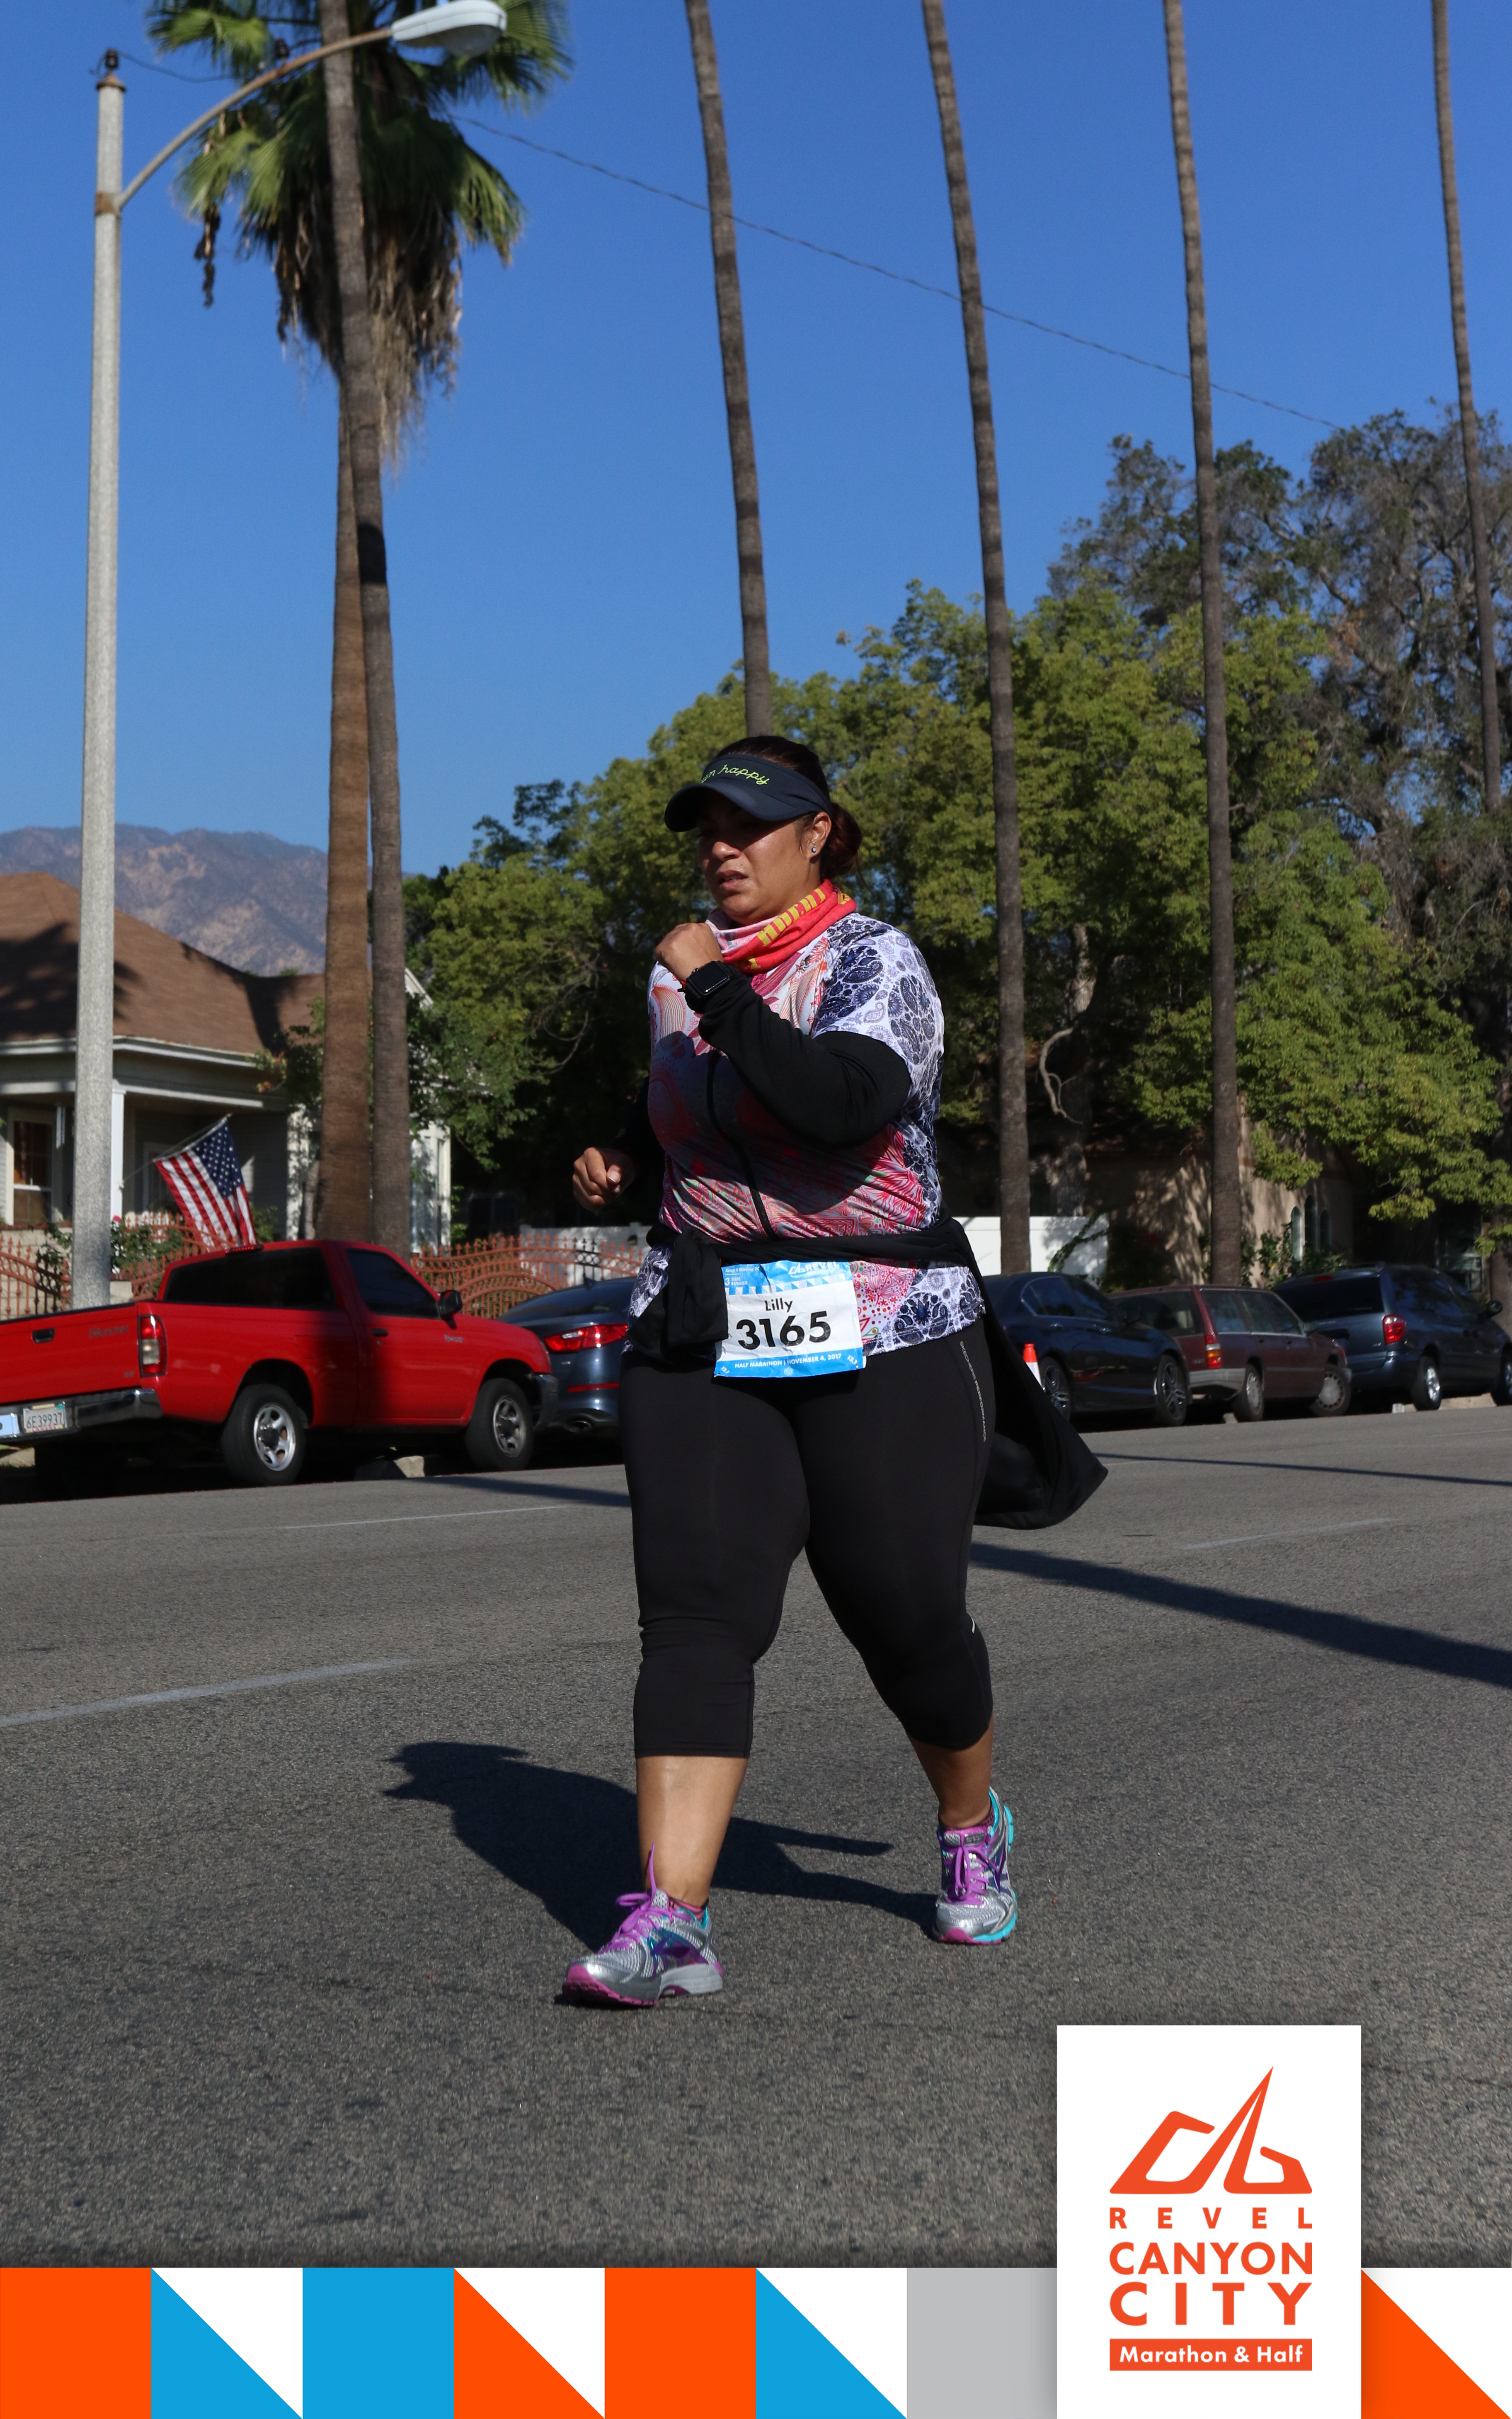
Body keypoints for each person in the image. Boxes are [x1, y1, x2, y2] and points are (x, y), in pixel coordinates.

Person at [564, 734, 1013, 2007]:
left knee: (908, 1620)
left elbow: (836, 1102)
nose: (722, 846)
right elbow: (698, 1116)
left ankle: (971, 1826)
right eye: (707, 826)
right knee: (696, 1612)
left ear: (819, 835)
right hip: (704, 1318)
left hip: (882, 1322)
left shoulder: (876, 962)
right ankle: (672, 1919)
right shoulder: (680, 980)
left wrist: (713, 985)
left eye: (749, 824)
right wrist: (624, 1160)